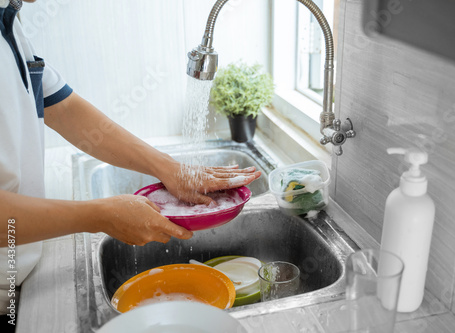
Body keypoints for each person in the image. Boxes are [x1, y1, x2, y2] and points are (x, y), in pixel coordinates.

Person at [0, 0, 261, 330]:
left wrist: (169, 168)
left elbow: (63, 108)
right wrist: (100, 215)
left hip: (16, 275)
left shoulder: (10, 21)